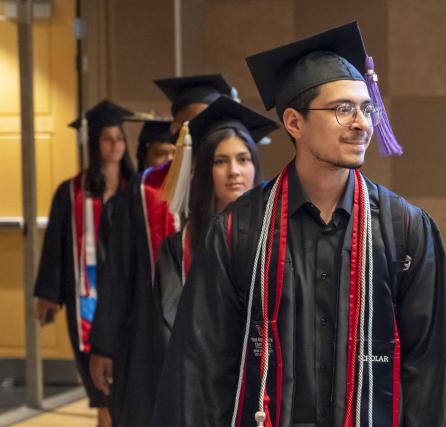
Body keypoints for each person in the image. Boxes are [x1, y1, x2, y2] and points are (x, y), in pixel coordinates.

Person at [153, 22, 446, 427]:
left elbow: (432, 370)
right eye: (342, 109)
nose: (362, 123)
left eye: (365, 108)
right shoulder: (237, 232)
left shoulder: (404, 229)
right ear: (294, 123)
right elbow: (202, 369)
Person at [88, 75, 234, 427]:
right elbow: (119, 271)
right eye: (194, 122)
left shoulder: (237, 187)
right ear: (175, 128)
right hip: (151, 340)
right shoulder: (147, 189)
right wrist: (104, 345)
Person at [153, 95, 278, 369]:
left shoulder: (280, 233)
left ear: (255, 166)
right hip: (202, 376)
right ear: (203, 170)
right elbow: (171, 322)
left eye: (243, 159)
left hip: (268, 376)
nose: (234, 171)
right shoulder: (178, 247)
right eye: (220, 161)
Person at [34, 100, 134, 427]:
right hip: (85, 293)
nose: (115, 144)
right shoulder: (71, 192)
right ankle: (106, 418)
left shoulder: (135, 190)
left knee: (125, 374)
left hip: (126, 292)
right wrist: (48, 294)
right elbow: (55, 247)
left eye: (119, 137)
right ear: (94, 144)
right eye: (107, 138)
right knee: (97, 376)